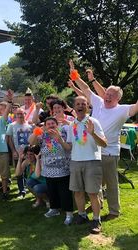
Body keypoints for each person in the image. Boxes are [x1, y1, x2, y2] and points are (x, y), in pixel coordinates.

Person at [70, 61, 138, 220]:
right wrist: (74, 74)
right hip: (93, 151)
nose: (107, 96)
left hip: (109, 152)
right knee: (95, 182)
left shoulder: (122, 110)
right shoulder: (98, 102)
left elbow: (136, 107)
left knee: (111, 183)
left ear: (118, 98)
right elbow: (86, 89)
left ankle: (114, 211)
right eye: (106, 93)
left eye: (111, 95)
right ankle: (97, 205)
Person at [55, 96, 107, 234]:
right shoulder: (72, 125)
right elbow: (69, 146)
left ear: (87, 106)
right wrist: (60, 139)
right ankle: (82, 215)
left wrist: (93, 133)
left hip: (92, 161)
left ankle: (96, 219)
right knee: (77, 191)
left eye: (83, 103)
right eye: (77, 104)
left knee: (92, 193)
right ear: (74, 106)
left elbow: (104, 143)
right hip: (76, 161)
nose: (80, 106)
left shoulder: (93, 121)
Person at [29, 117, 74, 225]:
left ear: (56, 124)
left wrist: (59, 139)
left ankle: (69, 214)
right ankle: (54, 209)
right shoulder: (43, 136)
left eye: (52, 123)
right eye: (48, 124)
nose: (51, 125)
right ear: (45, 126)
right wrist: (37, 131)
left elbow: (68, 148)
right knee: (52, 192)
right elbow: (31, 141)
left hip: (63, 169)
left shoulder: (63, 133)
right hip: (48, 170)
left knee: (65, 193)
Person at [6, 108, 33, 198]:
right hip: (18, 153)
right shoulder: (11, 125)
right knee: (19, 171)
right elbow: (9, 139)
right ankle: (21, 190)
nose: (20, 115)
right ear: (15, 115)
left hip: (29, 153)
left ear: (25, 114)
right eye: (18, 114)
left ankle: (28, 187)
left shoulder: (30, 126)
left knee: (28, 171)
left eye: (22, 113)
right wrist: (13, 151)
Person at [15, 145, 47, 209]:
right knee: (28, 182)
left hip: (46, 185)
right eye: (27, 154)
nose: (28, 156)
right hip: (38, 184)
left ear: (36, 154)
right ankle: (39, 200)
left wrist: (37, 159)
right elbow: (18, 174)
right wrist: (20, 159)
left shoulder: (40, 161)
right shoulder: (27, 161)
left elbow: (37, 175)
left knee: (36, 188)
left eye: (31, 154)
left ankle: (48, 200)